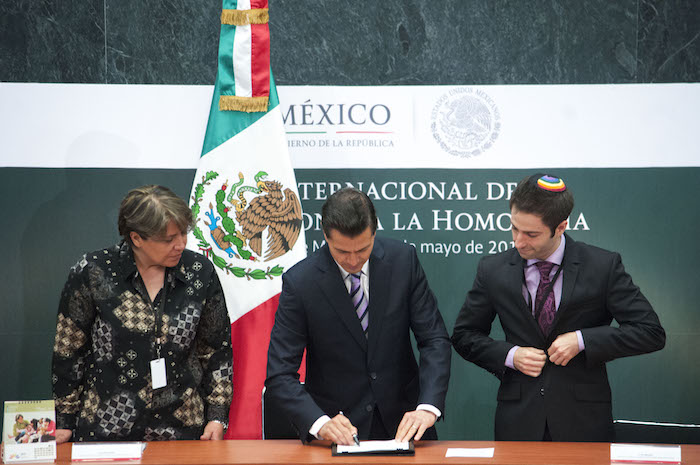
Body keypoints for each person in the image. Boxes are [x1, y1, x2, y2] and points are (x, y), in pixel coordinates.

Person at [452, 174, 665, 442]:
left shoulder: (602, 266)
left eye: (531, 234)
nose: (519, 241)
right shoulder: (492, 269)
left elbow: (650, 332)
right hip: (518, 422)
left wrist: (582, 340)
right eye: (514, 228)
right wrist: (510, 355)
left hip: (583, 422)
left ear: (561, 226)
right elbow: (464, 335)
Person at [266, 187, 451, 445]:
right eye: (341, 251)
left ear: (374, 232)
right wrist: (320, 423)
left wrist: (428, 407)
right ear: (325, 236)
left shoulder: (403, 261)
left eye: (363, 249)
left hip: (406, 426)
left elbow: (434, 340)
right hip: (337, 432)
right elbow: (280, 373)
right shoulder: (301, 283)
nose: (353, 260)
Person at [52, 185, 233, 443]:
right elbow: (69, 349)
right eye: (168, 239)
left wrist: (217, 415)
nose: (180, 244)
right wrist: (65, 419)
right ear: (136, 238)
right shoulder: (94, 271)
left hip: (183, 427)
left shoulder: (199, 272)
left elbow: (215, 349)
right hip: (107, 427)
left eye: (183, 234)